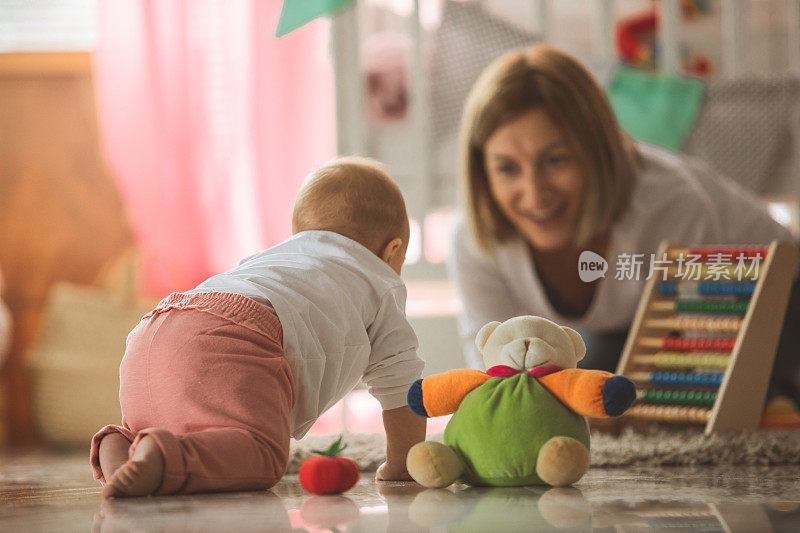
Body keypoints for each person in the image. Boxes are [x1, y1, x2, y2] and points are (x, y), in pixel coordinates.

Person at [449, 44, 800, 407]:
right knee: (586, 387)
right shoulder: (475, 238)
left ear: (595, 150)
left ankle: (779, 396)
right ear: (482, 171)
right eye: (507, 168)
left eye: (555, 160)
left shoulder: (669, 202)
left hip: (776, 291)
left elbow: (704, 356)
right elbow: (494, 372)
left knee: (679, 399)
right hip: (629, 327)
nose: (535, 196)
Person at [91, 156, 426, 498]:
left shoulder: (272, 260)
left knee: (198, 427)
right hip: (236, 335)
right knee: (263, 454)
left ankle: (124, 444)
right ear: (392, 251)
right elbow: (403, 386)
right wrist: (402, 464)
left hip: (156, 329)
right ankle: (165, 456)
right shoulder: (379, 280)